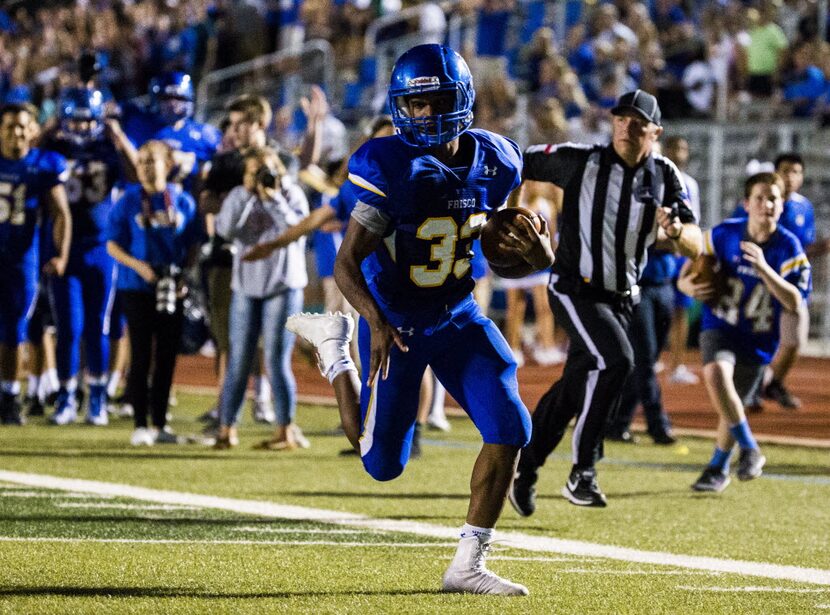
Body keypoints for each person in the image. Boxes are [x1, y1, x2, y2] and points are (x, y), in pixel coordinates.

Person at [286, 44, 553, 595]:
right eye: (416, 104)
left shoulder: (497, 159)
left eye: (436, 102)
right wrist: (375, 324)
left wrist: (535, 251)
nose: (426, 115)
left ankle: (468, 563)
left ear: (462, 101)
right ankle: (335, 353)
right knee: (382, 464)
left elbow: (515, 242)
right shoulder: (390, 165)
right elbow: (345, 262)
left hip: (458, 313)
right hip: (398, 323)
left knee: (511, 427)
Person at [509, 89, 702, 513]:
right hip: (573, 287)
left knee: (574, 388)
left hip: (621, 298)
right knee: (619, 360)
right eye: (620, 119)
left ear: (655, 132)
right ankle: (584, 471)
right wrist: (511, 209)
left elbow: (695, 242)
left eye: (637, 123)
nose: (626, 129)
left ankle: (525, 466)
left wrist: (673, 231)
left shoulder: (665, 174)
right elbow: (516, 160)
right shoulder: (583, 160)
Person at [678, 172, 810, 492]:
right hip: (720, 323)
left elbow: (794, 301)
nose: (767, 204)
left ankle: (716, 467)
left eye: (773, 199)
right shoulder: (725, 233)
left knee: (730, 403)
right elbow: (689, 266)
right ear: (746, 204)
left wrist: (764, 268)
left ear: (782, 206)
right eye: (760, 198)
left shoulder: (789, 247)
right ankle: (750, 447)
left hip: (759, 335)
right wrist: (687, 285)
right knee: (716, 376)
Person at [39, 87, 135, 426]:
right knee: (68, 326)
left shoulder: (109, 148)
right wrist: (46, 130)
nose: (80, 129)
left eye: (86, 122)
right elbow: (24, 156)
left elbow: (137, 175)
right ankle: (66, 397)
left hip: (100, 248)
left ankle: (96, 398)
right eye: (73, 122)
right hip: (62, 247)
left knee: (98, 325)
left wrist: (121, 139)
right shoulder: (51, 147)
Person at [106, 140, 202, 446]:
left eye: (152, 161)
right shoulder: (128, 200)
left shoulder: (182, 200)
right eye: (142, 161)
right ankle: (139, 423)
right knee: (141, 353)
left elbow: (194, 244)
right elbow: (112, 244)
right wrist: (140, 267)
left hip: (172, 285)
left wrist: (185, 274)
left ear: (168, 164)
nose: (145, 166)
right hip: (136, 286)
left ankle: (159, 423)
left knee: (166, 356)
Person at [212, 147, 309, 450]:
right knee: (238, 359)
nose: (260, 177)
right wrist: (249, 196)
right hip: (245, 286)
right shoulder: (238, 196)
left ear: (279, 169)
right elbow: (226, 231)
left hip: (283, 286)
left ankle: (286, 430)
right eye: (254, 171)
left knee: (276, 361)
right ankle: (227, 428)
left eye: (266, 169)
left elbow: (296, 230)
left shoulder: (292, 194)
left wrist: (272, 197)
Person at [0, 103, 72, 426]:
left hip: (20, 259)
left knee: (15, 329)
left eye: (22, 126)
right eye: (10, 126)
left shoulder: (43, 166)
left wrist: (61, 254)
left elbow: (61, 213)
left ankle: (10, 395)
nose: (17, 132)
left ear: (32, 130)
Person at [663, 135, 701, 385]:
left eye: (684, 148)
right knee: (655, 310)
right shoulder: (655, 179)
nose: (680, 152)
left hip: (678, 255)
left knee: (681, 310)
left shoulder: (690, 184)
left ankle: (677, 363)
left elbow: (694, 221)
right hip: (658, 254)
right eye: (676, 147)